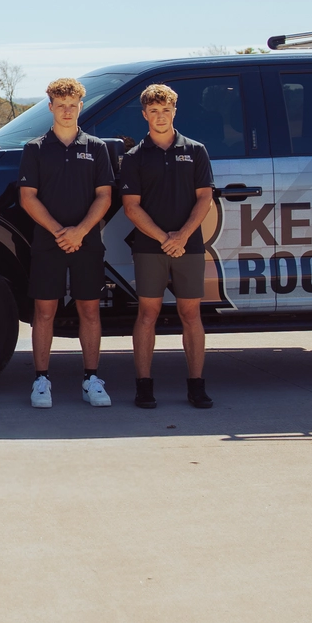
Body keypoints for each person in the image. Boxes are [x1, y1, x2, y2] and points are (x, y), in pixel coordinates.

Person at [17, 77, 117, 409]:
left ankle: (92, 379)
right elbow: (28, 197)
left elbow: (104, 196)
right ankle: (41, 380)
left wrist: (80, 231)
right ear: (50, 107)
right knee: (44, 311)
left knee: (89, 309)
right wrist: (60, 231)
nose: (67, 111)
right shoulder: (35, 149)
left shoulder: (96, 147)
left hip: (87, 242)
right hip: (48, 242)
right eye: (61, 106)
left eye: (72, 106)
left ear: (80, 107)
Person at [118, 82, 215, 409]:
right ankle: (144, 386)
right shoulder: (134, 157)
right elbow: (131, 207)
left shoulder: (196, 151)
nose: (160, 116)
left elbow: (205, 199)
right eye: (154, 110)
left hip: (189, 246)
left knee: (191, 313)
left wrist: (182, 236)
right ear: (144, 114)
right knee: (148, 313)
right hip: (150, 247)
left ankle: (196, 386)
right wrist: (165, 239)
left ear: (175, 111)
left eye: (166, 110)